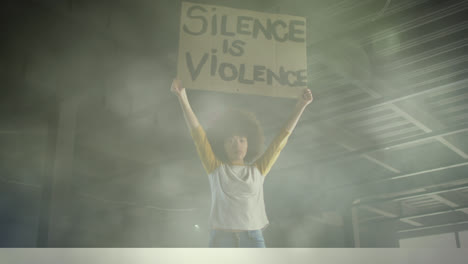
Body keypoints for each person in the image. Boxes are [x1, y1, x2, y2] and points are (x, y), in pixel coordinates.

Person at [171, 79, 313, 247]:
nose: (236, 145)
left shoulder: (258, 170)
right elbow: (198, 136)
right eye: (230, 141)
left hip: (253, 238)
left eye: (241, 140)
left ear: (249, 143)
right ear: (222, 145)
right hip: (221, 239)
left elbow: (280, 141)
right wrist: (182, 97)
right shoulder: (215, 168)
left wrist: (301, 106)